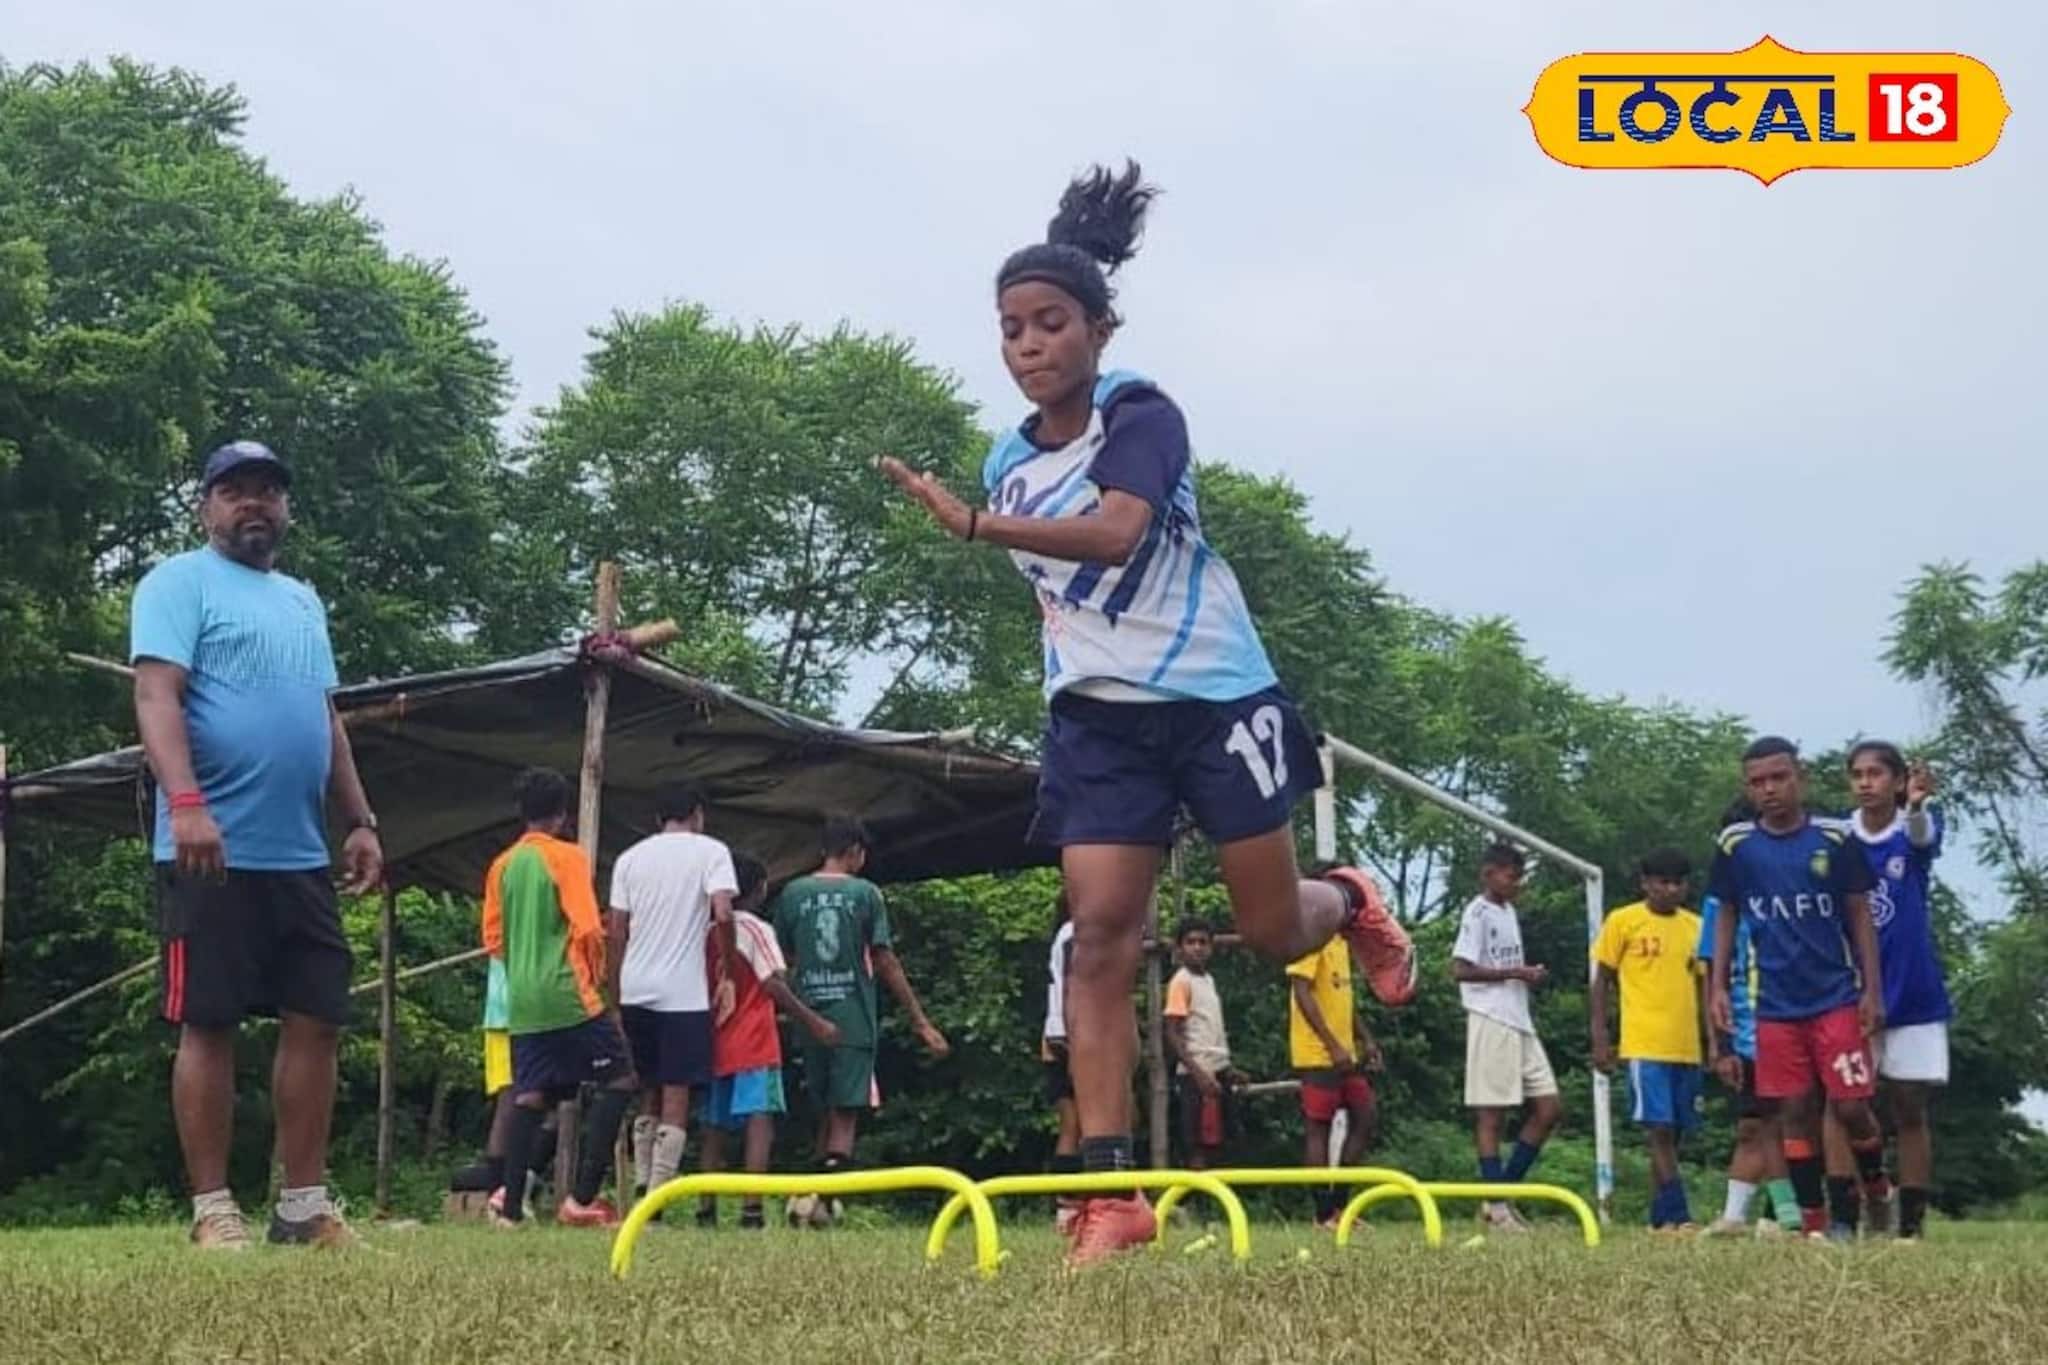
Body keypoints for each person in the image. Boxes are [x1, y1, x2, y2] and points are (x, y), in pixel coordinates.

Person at [878, 160, 1416, 1266]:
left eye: (1049, 323)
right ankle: (1109, 1191)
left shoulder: (1141, 412)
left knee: (1269, 929)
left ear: (1097, 327)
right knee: (1097, 942)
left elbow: (1121, 531)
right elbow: (1059, 590)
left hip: (1214, 697)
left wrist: (976, 529)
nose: (1028, 346)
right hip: (1096, 720)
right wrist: (1003, 543)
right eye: (1010, 329)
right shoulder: (1003, 465)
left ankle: (1347, 894)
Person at [131, 439, 382, 1251]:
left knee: (317, 1016)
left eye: (268, 491)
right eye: (234, 490)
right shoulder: (177, 583)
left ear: (286, 509)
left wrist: (361, 820)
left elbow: (326, 716)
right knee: (210, 1021)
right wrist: (189, 803)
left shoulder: (303, 601)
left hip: (300, 852)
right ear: (205, 506)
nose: (254, 505)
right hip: (207, 846)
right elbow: (156, 695)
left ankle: (302, 1207)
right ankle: (214, 1210)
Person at [1708, 736, 1888, 1242]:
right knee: (1793, 1111)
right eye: (1757, 781)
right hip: (1773, 1004)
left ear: (1799, 777)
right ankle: (1817, 1225)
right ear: (1748, 787)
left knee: (1850, 1106)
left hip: (1835, 995)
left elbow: (1859, 915)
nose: (1769, 789)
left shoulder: (1833, 838)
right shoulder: (1736, 846)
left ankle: (1876, 1187)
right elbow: (1725, 912)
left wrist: (1873, 991)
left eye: (1778, 778)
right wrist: (1717, 987)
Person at [775, 815, 949, 1224]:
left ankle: (811, 1199)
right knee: (847, 1110)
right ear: (855, 852)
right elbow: (884, 959)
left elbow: (783, 960)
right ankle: (830, 1201)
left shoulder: (792, 894)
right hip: (852, 1016)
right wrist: (920, 1021)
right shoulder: (866, 894)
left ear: (823, 850)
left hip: (808, 1011)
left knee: (822, 1107)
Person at [483, 768, 637, 1229]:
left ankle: (509, 1207)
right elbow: (589, 926)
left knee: (531, 1096)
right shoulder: (566, 857)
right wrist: (598, 979)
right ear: (563, 814)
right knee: (621, 1080)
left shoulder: (502, 865)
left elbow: (493, 937)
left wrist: (524, 966)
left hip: (522, 998)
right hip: (567, 991)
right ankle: (582, 1197)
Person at [1830, 741, 1949, 1241]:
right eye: (1857, 774)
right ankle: (1846, 1211)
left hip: (1913, 992)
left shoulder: (1914, 828)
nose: (1865, 782)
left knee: (1908, 1106)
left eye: (1876, 773)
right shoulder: (1838, 836)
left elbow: (1923, 838)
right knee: (1844, 1105)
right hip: (1850, 990)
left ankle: (1912, 1225)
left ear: (1898, 781)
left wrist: (1917, 806)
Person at [694, 854, 841, 1229]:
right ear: (758, 890)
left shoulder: (707, 931)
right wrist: (813, 1020)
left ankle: (706, 1209)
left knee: (714, 1125)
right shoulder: (755, 929)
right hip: (754, 1041)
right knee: (759, 1121)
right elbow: (772, 982)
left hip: (714, 1039)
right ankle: (752, 1209)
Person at [608, 782, 734, 1203]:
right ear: (697, 814)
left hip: (635, 987)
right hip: (684, 992)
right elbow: (723, 912)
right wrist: (728, 975)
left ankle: (644, 1179)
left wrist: (614, 992)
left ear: (656, 819)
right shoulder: (711, 852)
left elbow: (617, 929)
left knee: (648, 1088)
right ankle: (659, 1191)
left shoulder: (629, 860)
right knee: (677, 1089)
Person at [1696, 800, 1799, 1239]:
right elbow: (1709, 973)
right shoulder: (1718, 905)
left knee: (1797, 1120)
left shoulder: (1790, 889)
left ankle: (1791, 1216)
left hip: (1795, 1018)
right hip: (1747, 1031)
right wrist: (1718, 1045)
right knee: (1754, 1124)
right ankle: (1738, 1216)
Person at [1590, 849, 1704, 1232]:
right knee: (1658, 1128)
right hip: (1644, 1041)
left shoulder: (1696, 927)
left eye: (1678, 883)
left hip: (1686, 1044)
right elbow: (1602, 979)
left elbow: (1705, 987)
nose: (1670, 890)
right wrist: (1601, 1035)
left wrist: (1716, 1042)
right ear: (1646, 884)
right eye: (1662, 882)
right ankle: (1679, 1212)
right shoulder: (1624, 921)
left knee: (1676, 1132)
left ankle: (1660, 1220)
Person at [1453, 843, 1561, 1233]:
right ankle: (1498, 1206)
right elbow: (1460, 970)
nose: (1517, 884)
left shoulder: (1508, 910)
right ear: (1489, 874)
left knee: (1548, 1107)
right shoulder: (1477, 912)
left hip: (1519, 1017)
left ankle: (1499, 1193)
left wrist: (1523, 973)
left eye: (1519, 877)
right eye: (1511, 876)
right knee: (1491, 1113)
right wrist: (1514, 973)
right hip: (1491, 1016)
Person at [1288, 926, 1383, 1229]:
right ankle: (1323, 1213)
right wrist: (1331, 1044)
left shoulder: (1341, 943)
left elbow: (1343, 1000)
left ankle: (1340, 1205)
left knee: (1365, 1116)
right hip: (1317, 1052)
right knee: (1319, 1128)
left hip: (1345, 1052)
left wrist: (1366, 1039)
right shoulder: (1309, 939)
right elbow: (1301, 991)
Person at [1164, 917, 1241, 1170]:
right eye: (1190, 942)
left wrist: (1228, 1069)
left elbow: (1210, 1030)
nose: (1197, 947)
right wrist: (1198, 1073)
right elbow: (1173, 1033)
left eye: (1203, 942)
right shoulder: (1181, 981)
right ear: (1179, 948)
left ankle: (1214, 1203)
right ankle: (1189, 1203)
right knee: (1195, 1143)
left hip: (1217, 1069)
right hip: (1195, 1073)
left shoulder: (1208, 981)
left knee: (1222, 1140)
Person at [1042, 899, 1082, 1233]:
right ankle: (1066, 1205)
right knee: (1072, 1122)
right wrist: (1067, 1038)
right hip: (1066, 1036)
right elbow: (1069, 986)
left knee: (1083, 1123)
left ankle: (1080, 1201)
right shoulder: (1072, 934)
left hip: (1074, 1034)